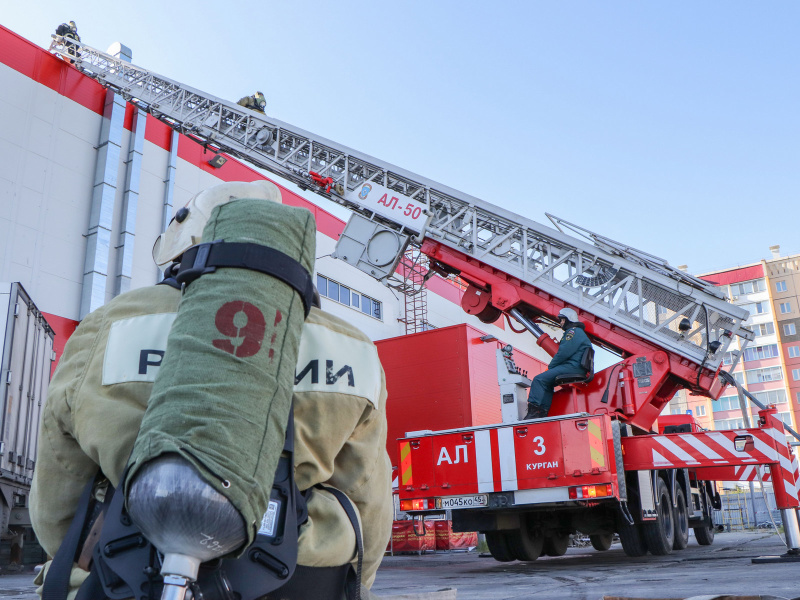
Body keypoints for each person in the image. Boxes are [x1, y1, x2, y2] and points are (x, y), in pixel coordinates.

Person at [30, 180, 392, 600]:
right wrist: (356, 583)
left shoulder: (110, 324)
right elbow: (367, 498)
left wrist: (71, 561)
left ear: (185, 243)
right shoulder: (352, 347)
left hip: (130, 572)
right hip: (303, 577)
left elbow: (61, 479)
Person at [524, 307, 591, 420]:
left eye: (562, 320)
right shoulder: (579, 333)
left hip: (572, 367)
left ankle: (534, 413)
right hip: (576, 367)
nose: (561, 323)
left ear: (568, 319)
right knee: (547, 383)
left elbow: (563, 353)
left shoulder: (573, 332)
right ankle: (541, 413)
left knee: (539, 379)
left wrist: (551, 367)